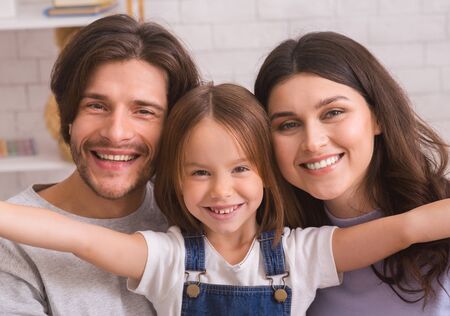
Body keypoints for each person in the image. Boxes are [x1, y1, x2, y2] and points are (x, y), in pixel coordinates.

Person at [1, 83, 450, 315]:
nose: (221, 190)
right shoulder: (167, 259)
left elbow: (404, 228)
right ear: (174, 182)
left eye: (240, 169)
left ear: (268, 177)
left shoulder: (302, 253)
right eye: (200, 173)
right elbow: (77, 237)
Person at [0, 14, 200, 315]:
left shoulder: (196, 213)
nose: (116, 133)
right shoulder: (13, 243)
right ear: (69, 118)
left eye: (143, 111)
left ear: (172, 126)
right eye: (96, 106)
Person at [254, 31, 450, 315]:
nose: (312, 142)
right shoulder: (271, 250)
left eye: (333, 113)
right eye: (288, 125)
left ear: (378, 117)